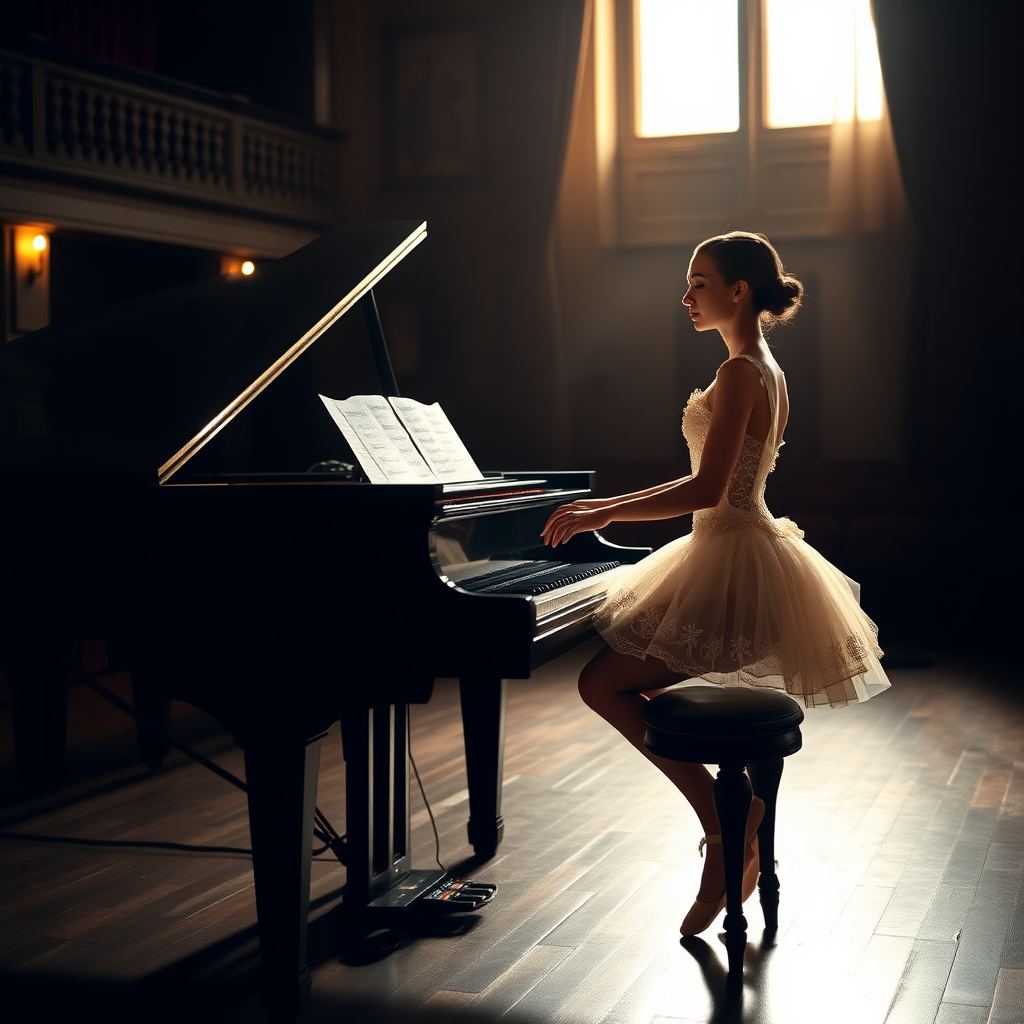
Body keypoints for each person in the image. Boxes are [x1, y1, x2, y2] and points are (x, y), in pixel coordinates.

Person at [541, 230, 890, 936]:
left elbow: (707, 488)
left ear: (739, 290)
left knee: (600, 683)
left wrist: (601, 507)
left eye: (699, 282)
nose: (686, 296)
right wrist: (607, 507)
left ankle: (730, 824)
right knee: (607, 680)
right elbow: (717, 483)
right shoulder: (762, 366)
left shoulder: (740, 373)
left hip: (732, 558)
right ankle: (734, 825)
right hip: (737, 549)